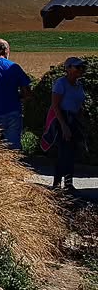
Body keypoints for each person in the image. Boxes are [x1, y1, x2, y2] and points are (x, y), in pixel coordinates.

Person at [43, 57, 87, 193]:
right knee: (64, 152)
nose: (81, 70)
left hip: (74, 119)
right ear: (68, 69)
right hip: (62, 119)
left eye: (82, 67)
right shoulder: (61, 84)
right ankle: (56, 184)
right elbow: (55, 106)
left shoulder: (79, 85)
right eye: (77, 67)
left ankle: (68, 183)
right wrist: (63, 125)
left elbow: (79, 105)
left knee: (71, 153)